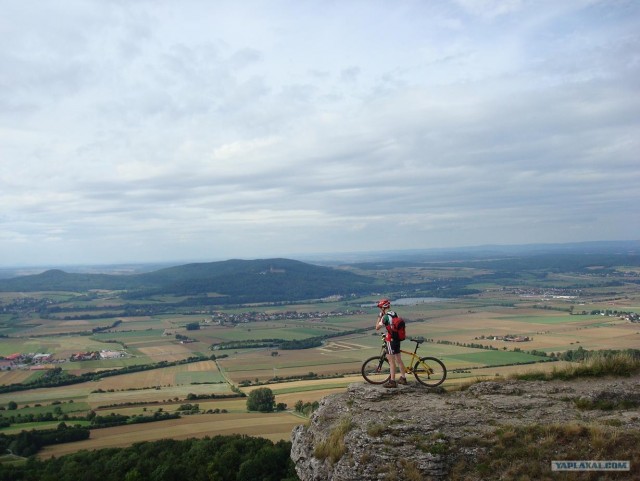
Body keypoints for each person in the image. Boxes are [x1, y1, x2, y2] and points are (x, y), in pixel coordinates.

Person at [375, 298, 407, 388]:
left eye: (380, 308)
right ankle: (403, 378)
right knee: (399, 360)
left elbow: (377, 327)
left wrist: (379, 317)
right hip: (397, 339)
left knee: (391, 362)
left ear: (382, 308)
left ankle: (392, 381)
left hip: (391, 341)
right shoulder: (393, 313)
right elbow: (392, 327)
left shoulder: (384, 317)